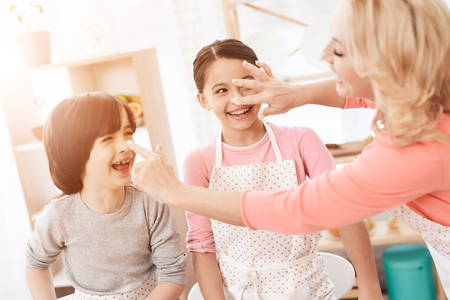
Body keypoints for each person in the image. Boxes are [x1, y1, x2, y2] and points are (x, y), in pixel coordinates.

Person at [128, 0, 450, 296]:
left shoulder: (417, 149)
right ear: (203, 100)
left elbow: (302, 209)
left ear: (382, 63)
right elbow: (362, 94)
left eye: (338, 49)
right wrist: (298, 94)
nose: (324, 55)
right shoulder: (428, 102)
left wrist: (172, 191)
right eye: (222, 90)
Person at [181, 38, 381, 300]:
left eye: (245, 84)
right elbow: (202, 244)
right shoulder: (199, 162)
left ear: (264, 79)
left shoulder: (300, 140)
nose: (238, 98)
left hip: (310, 289)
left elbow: (343, 210)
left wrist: (369, 286)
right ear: (203, 100)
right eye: (221, 90)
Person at [25, 92, 187, 300]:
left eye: (128, 133)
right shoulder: (59, 215)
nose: (125, 146)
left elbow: (173, 276)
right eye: (108, 138)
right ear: (74, 151)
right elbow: (36, 263)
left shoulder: (150, 203)